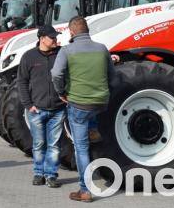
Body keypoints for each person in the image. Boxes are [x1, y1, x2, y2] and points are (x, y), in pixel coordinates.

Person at [51, 16, 117, 203]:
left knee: (81, 148)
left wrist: (61, 92)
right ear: (87, 30)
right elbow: (113, 77)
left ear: (71, 32)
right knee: (92, 113)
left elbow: (56, 74)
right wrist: (105, 94)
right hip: (100, 102)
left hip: (79, 104)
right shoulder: (102, 49)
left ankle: (85, 190)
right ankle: (93, 129)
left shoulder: (67, 50)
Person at [18, 25, 65, 188]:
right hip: (36, 109)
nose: (55, 40)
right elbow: (22, 82)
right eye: (52, 37)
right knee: (38, 144)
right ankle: (39, 173)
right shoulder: (28, 57)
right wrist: (28, 105)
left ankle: (51, 175)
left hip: (58, 109)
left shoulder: (61, 54)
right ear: (41, 38)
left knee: (55, 145)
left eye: (56, 37)